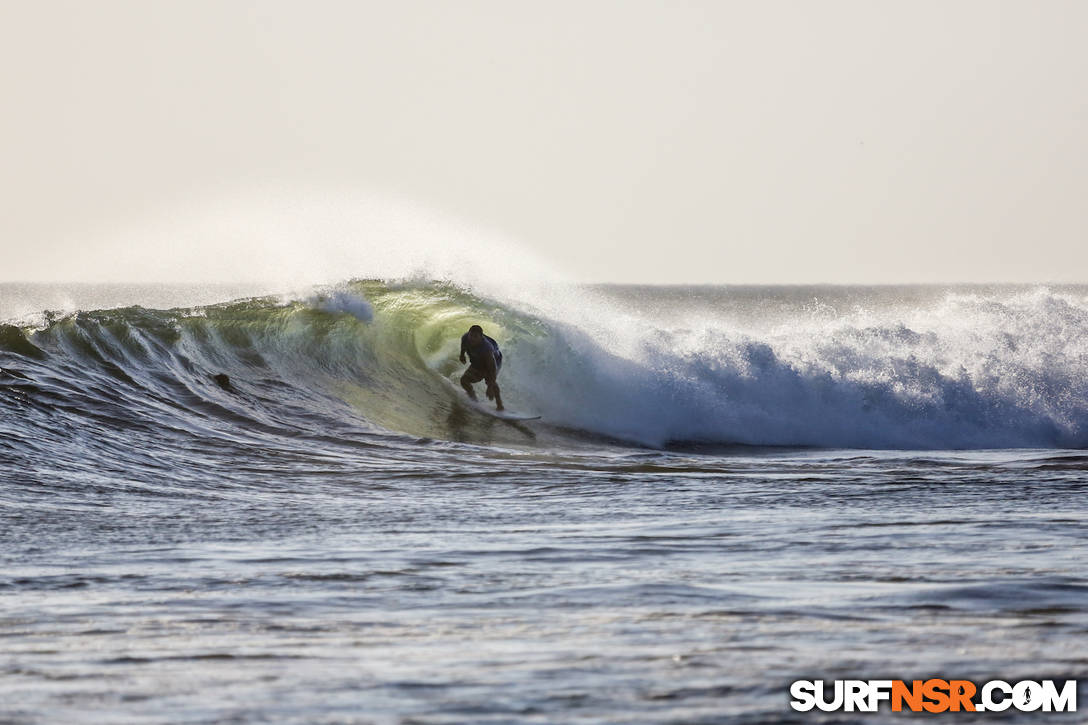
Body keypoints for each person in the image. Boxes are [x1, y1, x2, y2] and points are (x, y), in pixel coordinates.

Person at [459, 324, 504, 411]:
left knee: (490, 381)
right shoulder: (465, 338)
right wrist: (462, 355)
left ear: (481, 337)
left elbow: (492, 369)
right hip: (478, 360)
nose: (472, 338)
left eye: (475, 337)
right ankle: (474, 399)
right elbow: (463, 346)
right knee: (464, 381)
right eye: (471, 335)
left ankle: (500, 405)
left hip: (495, 361)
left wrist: (490, 387)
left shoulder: (486, 348)